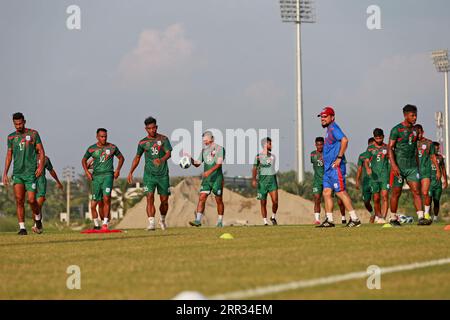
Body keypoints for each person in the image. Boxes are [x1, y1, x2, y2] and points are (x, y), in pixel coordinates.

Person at [316, 106, 361, 228]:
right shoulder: (329, 129)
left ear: (332, 117)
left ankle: (355, 218)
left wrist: (339, 157)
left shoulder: (334, 128)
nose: (323, 119)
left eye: (325, 117)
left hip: (335, 168)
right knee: (326, 192)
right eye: (322, 117)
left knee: (340, 192)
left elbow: (345, 140)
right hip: (328, 169)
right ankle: (329, 220)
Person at [3, 112, 45, 235]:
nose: (18, 126)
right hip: (17, 173)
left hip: (30, 173)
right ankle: (22, 228)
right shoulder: (11, 137)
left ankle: (38, 219)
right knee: (19, 200)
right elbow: (9, 155)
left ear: (24, 122)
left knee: (32, 200)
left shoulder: (33, 134)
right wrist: (5, 173)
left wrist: (41, 166)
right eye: (16, 124)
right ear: (13, 124)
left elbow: (41, 151)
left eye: (20, 123)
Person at [128, 117, 172, 231]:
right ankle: (151, 223)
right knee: (149, 197)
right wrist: (131, 172)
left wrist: (161, 160)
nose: (152, 130)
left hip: (163, 175)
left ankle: (162, 220)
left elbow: (169, 153)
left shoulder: (163, 139)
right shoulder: (142, 143)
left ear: (156, 127)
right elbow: (137, 157)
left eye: (153, 128)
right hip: (149, 176)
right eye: (149, 128)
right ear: (146, 129)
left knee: (164, 201)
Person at [388, 105, 427, 226]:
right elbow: (390, 148)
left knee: (416, 191)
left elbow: (415, 148)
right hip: (399, 167)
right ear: (405, 115)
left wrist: (418, 165)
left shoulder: (416, 130)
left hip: (412, 167)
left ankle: (421, 217)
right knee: (396, 193)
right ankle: (393, 218)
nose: (415, 118)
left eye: (416, 115)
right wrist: (394, 166)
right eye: (412, 115)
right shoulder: (396, 129)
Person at [82, 128, 124, 230]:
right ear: (97, 137)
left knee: (106, 198)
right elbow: (83, 160)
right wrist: (87, 172)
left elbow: (121, 158)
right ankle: (96, 225)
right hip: (96, 178)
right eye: (101, 136)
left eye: (105, 136)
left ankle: (105, 223)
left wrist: (118, 170)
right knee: (94, 204)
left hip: (108, 176)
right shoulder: (92, 149)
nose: (104, 138)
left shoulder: (112, 147)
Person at [189, 131, 225, 227]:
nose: (205, 142)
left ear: (212, 139)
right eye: (204, 141)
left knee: (219, 200)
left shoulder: (220, 149)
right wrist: (190, 159)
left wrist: (209, 171)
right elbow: (197, 164)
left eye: (206, 140)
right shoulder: (204, 151)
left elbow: (218, 164)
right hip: (206, 180)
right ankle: (198, 220)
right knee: (202, 198)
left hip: (217, 179)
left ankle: (220, 221)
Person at [311, 137, 346, 225]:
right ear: (315, 145)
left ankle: (343, 217)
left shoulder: (329, 153)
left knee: (339, 200)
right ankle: (317, 220)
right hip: (317, 180)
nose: (320, 146)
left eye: (321, 144)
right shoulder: (312, 154)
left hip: (329, 179)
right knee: (317, 198)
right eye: (318, 145)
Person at [415, 124, 441, 222]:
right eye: (416, 133)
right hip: (414, 171)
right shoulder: (412, 143)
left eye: (419, 132)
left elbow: (433, 157)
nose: (418, 135)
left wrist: (438, 171)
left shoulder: (429, 143)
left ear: (422, 132)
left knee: (425, 193)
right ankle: (420, 215)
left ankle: (426, 214)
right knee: (417, 193)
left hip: (425, 171)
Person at [252, 137, 279, 226]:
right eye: (270, 144)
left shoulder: (273, 156)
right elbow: (254, 168)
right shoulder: (258, 157)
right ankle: (265, 221)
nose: (271, 145)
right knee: (263, 202)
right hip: (262, 183)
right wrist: (254, 179)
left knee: (275, 201)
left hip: (272, 182)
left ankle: (273, 217)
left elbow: (272, 169)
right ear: (265, 145)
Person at [365, 129, 390, 223]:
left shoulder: (387, 148)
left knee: (385, 196)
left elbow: (391, 159)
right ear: (374, 137)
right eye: (376, 138)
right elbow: (366, 160)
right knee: (376, 198)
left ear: (383, 136)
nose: (379, 139)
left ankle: (383, 217)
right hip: (374, 177)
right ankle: (378, 216)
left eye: (380, 137)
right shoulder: (370, 148)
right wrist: (368, 168)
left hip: (384, 176)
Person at [356, 138, 375, 222]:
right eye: (370, 145)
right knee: (366, 202)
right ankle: (372, 214)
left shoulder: (378, 154)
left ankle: (379, 217)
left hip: (376, 180)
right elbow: (359, 169)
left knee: (377, 198)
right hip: (366, 181)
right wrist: (357, 180)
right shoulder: (362, 156)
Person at [429, 142, 447, 222]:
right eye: (435, 148)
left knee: (436, 201)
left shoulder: (440, 157)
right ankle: (427, 216)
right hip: (429, 182)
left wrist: (445, 180)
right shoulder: (427, 157)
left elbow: (443, 169)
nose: (436, 150)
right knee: (428, 200)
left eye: (437, 148)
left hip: (437, 183)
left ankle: (435, 218)